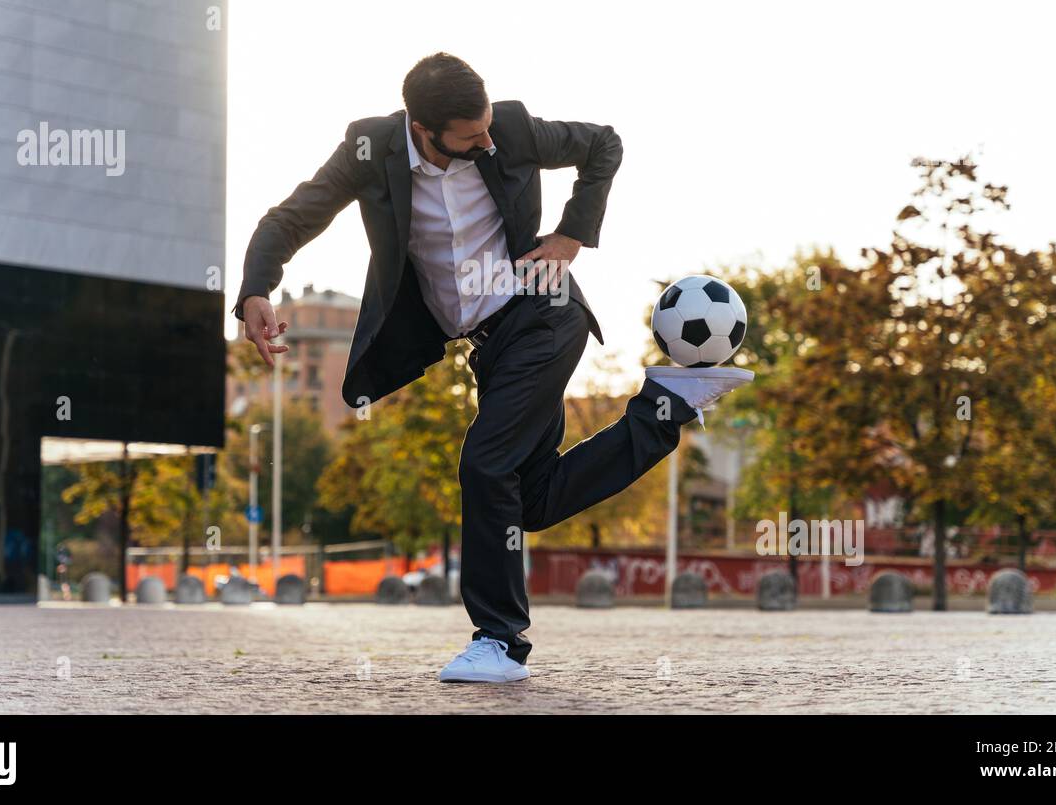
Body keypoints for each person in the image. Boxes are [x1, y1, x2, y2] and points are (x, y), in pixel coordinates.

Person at [235, 53, 745, 682]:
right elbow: (292, 216)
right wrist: (257, 288)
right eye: (470, 138)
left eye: (487, 129)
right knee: (524, 499)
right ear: (423, 130)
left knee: (483, 464)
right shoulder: (369, 149)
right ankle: (668, 406)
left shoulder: (514, 127)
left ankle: (499, 641)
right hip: (490, 346)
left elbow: (603, 145)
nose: (487, 142)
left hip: (544, 317)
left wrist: (571, 235)